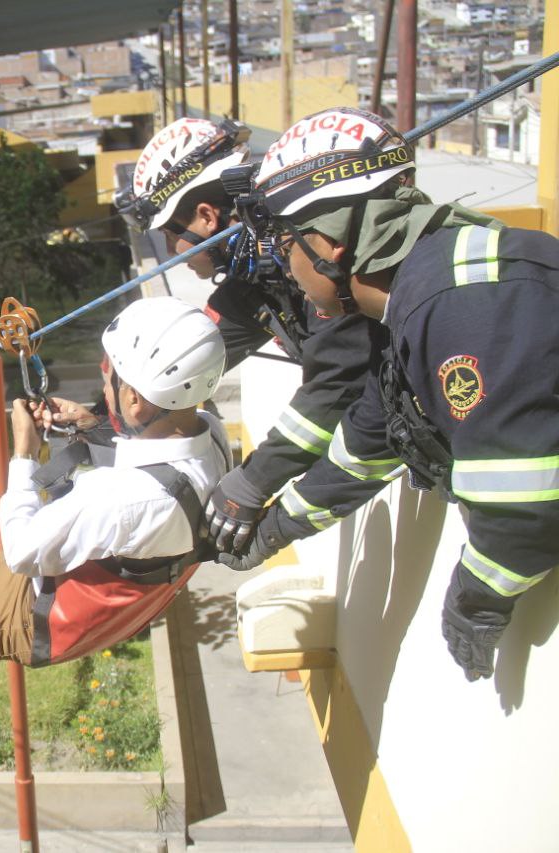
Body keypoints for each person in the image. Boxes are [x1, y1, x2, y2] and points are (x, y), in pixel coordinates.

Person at [218, 108, 559, 682]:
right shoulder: (417, 299)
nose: (284, 266)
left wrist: (477, 601)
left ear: (326, 241)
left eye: (283, 244)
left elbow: (522, 501)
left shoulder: (464, 300)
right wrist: (277, 529)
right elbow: (370, 442)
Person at [0, 297, 229, 815]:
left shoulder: (122, 499)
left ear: (135, 402)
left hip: (45, 618)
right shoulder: (210, 436)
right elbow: (148, 459)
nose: (102, 384)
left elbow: (22, 548)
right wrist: (89, 425)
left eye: (109, 378)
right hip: (92, 599)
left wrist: (24, 452)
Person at [115, 116, 376, 557]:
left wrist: (253, 481)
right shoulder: (255, 280)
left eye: (169, 236)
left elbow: (339, 383)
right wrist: (97, 419)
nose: (172, 255)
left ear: (205, 216)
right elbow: (175, 368)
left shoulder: (313, 248)